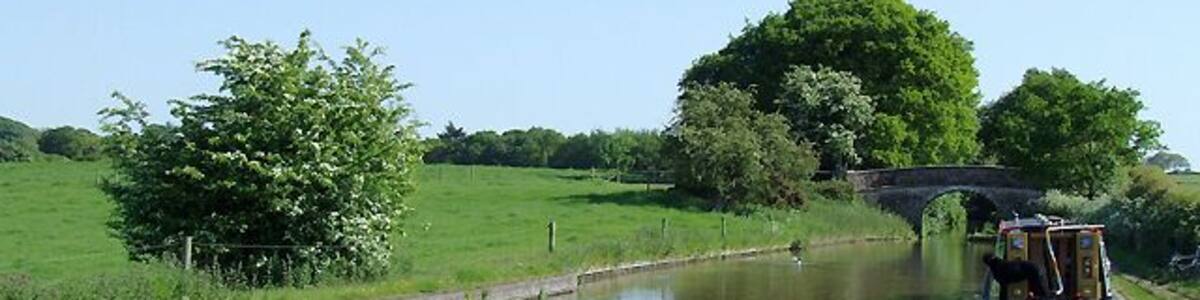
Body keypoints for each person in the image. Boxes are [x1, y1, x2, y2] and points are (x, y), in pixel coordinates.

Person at [983, 254, 1050, 299]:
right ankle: (1044, 296)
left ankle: (1043, 296)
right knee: (1037, 287)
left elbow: (1003, 285)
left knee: (1037, 287)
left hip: (1027, 269)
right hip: (1028, 268)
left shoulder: (997, 269)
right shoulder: (1001, 265)